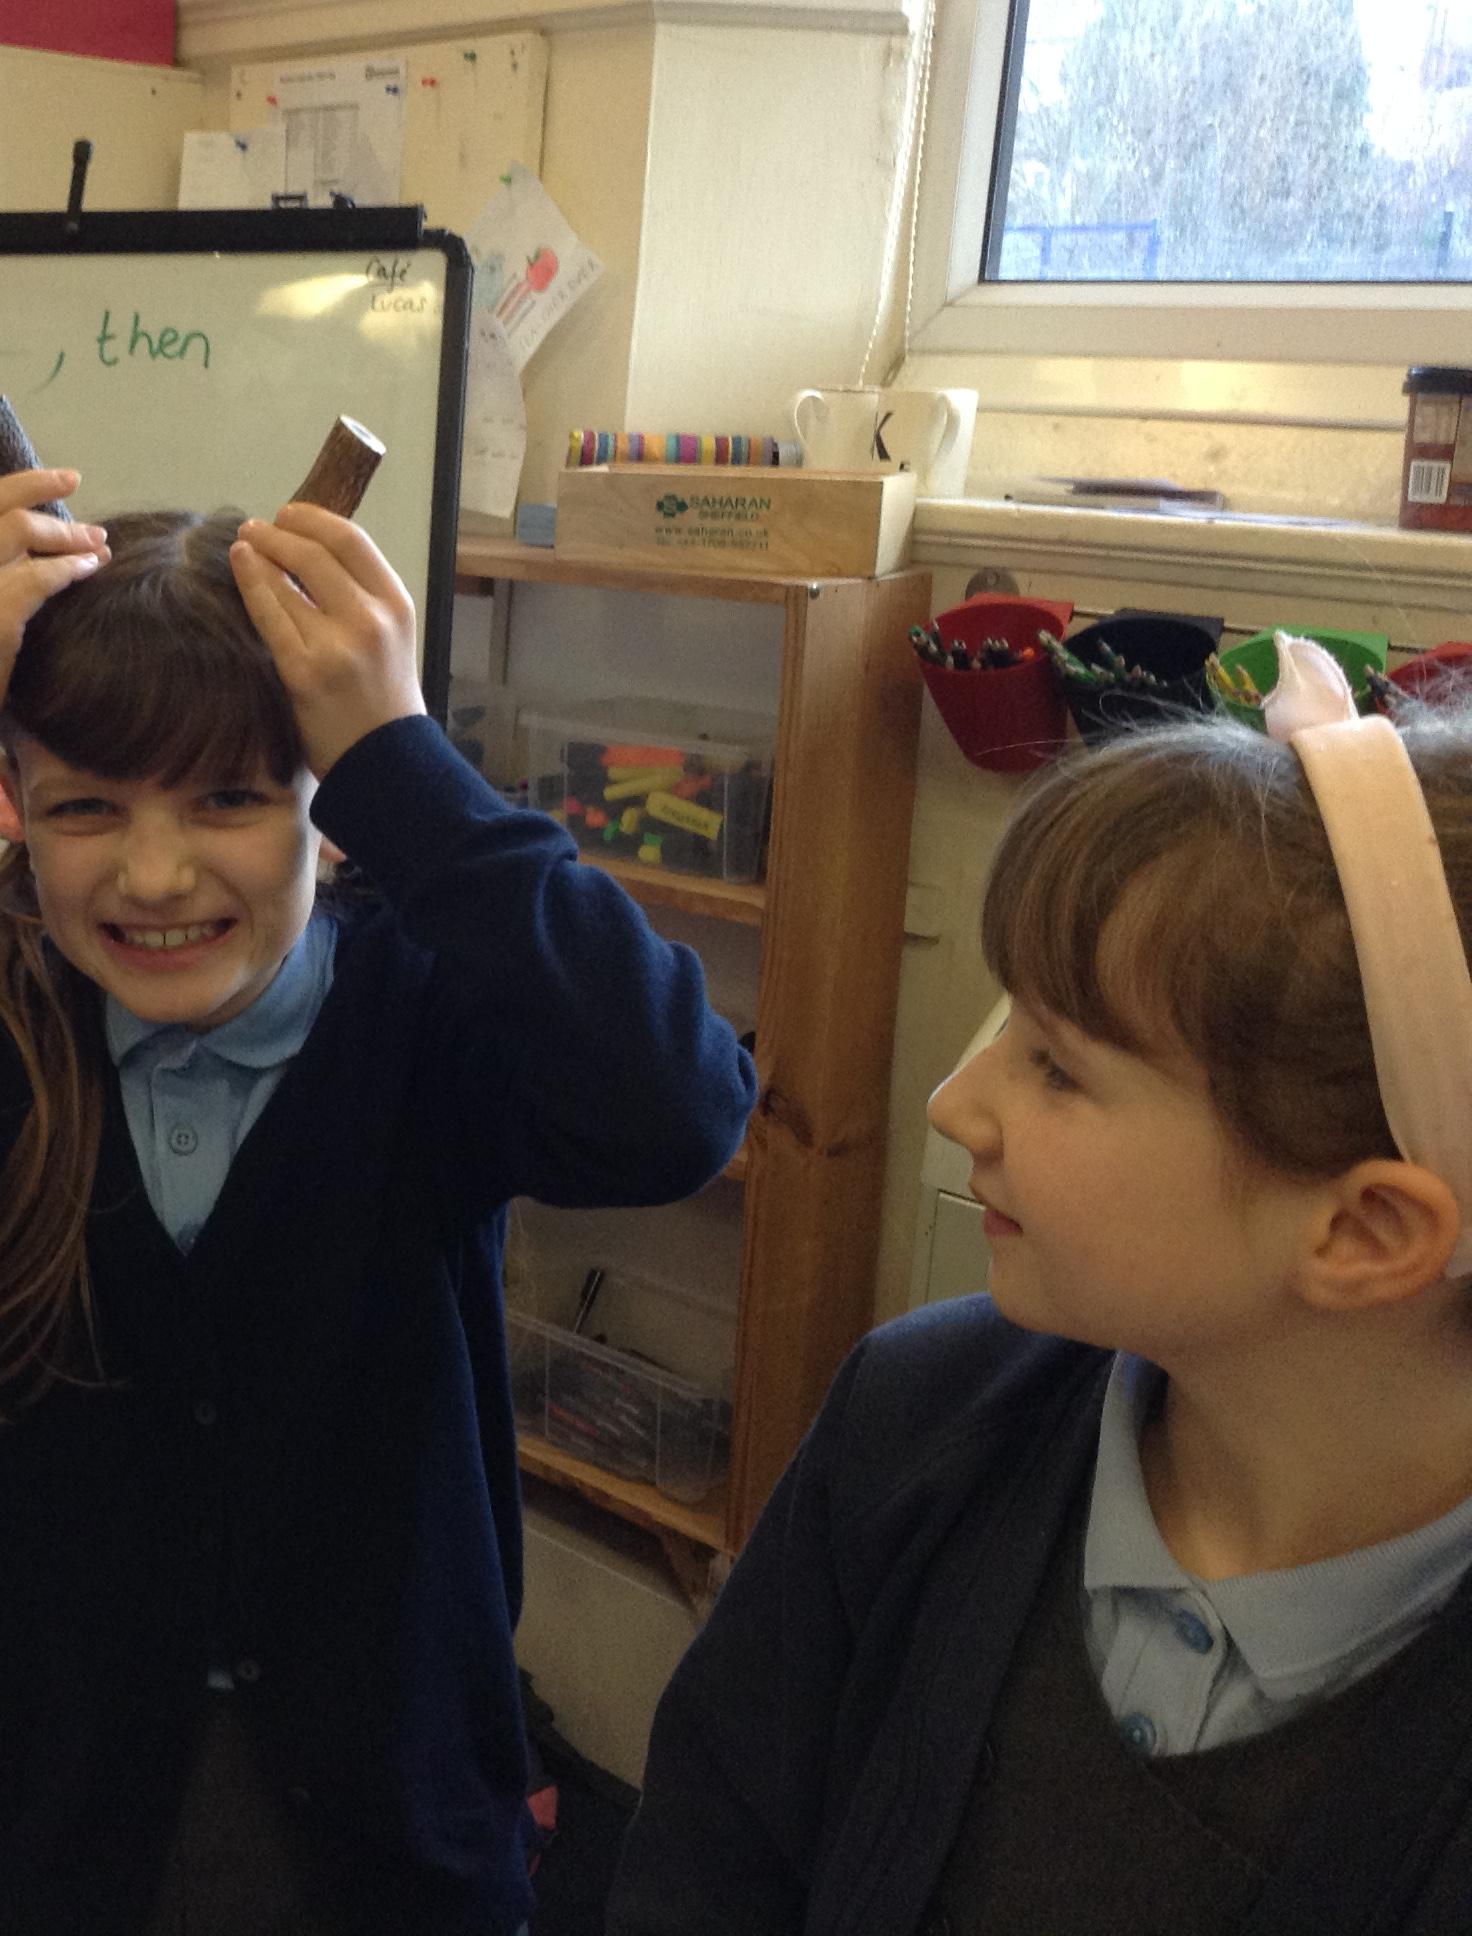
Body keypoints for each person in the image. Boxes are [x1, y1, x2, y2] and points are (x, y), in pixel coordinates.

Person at [0, 469, 757, 1935]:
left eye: (231, 798)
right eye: (86, 807)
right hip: (69, 1846)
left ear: (330, 810)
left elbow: (679, 1109)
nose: (153, 873)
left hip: (397, 1845)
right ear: (14, 808)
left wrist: (405, 765)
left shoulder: (425, 1021)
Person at [606, 642, 1472, 1933]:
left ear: (1363, 1231)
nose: (957, 1103)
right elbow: (708, 1863)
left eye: (1059, 1067)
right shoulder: (918, 1420)